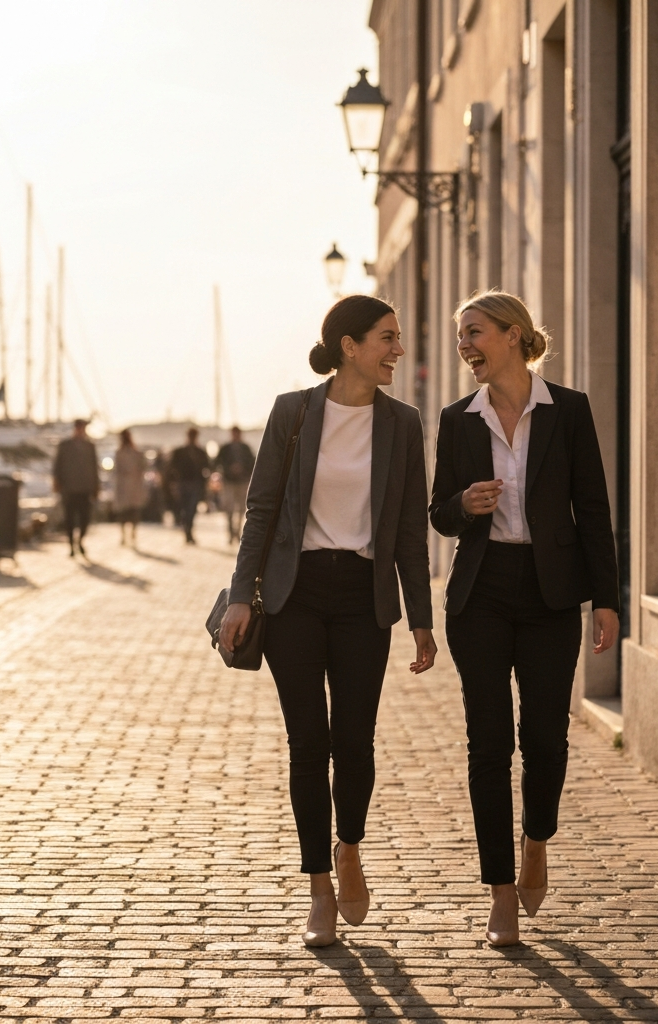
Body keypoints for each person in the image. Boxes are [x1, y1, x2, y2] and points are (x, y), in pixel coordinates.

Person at [219, 295, 436, 947]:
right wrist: (237, 595)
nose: (397, 349)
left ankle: (349, 848)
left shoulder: (402, 423)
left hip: (362, 599)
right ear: (349, 345)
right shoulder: (294, 413)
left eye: (397, 338)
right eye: (386, 338)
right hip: (296, 595)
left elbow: (406, 529)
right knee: (309, 744)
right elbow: (260, 509)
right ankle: (318, 886)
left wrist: (421, 617)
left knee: (355, 741)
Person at [429, 290, 619, 947]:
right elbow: (438, 513)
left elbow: (591, 507)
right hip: (480, 595)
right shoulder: (458, 420)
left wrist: (608, 599)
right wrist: (464, 503)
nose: (465, 347)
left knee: (544, 738)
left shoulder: (567, 411)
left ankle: (537, 839)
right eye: (460, 337)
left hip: (550, 595)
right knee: (489, 744)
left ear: (513, 335)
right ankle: (500, 891)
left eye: (474, 332)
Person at [53, 418, 99, 557]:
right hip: (68, 488)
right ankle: (72, 544)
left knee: (85, 518)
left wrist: (96, 487)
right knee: (69, 518)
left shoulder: (90, 446)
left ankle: (80, 541)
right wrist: (57, 482)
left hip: (85, 489)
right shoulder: (65, 445)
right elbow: (57, 465)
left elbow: (94, 468)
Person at [213, 425, 255, 543]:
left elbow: (252, 463)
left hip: (242, 481)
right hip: (229, 481)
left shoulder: (245, 448)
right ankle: (232, 532)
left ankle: (236, 531)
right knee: (230, 508)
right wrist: (229, 469)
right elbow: (218, 462)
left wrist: (242, 469)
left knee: (241, 508)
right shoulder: (226, 448)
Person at [170, 427, 209, 544]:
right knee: (184, 508)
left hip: (194, 484)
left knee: (191, 509)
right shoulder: (180, 452)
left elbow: (206, 468)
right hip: (183, 483)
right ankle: (187, 530)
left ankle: (188, 531)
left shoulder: (200, 452)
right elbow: (173, 469)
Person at [112, 429, 147, 546]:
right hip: (123, 486)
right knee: (124, 513)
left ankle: (132, 533)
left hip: (133, 486)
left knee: (133, 512)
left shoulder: (136, 453)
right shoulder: (119, 453)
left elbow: (142, 468)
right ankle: (124, 535)